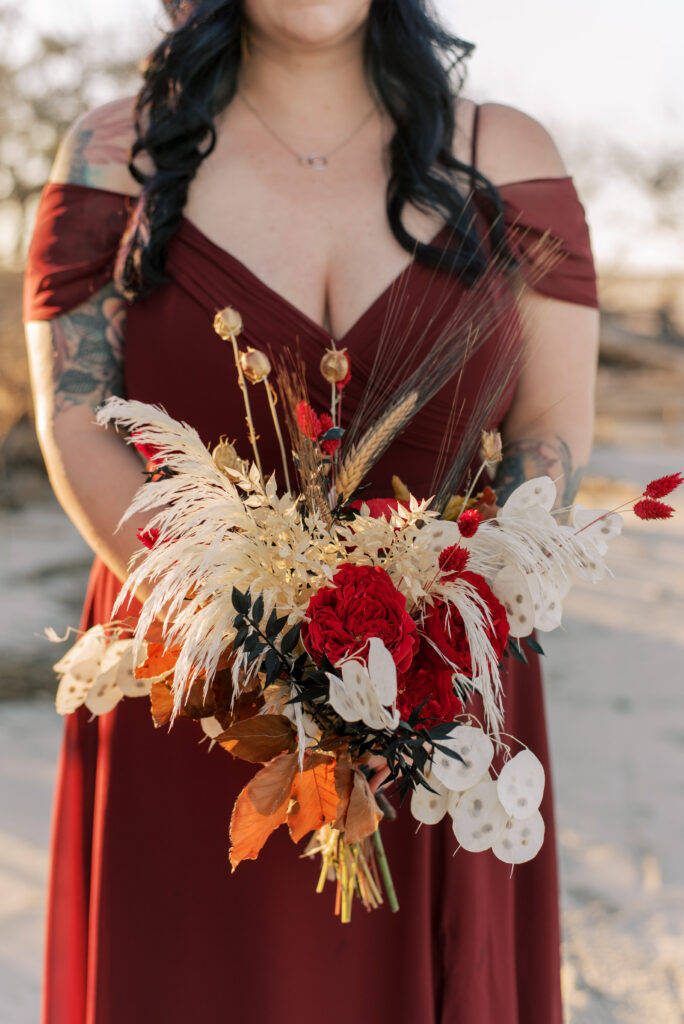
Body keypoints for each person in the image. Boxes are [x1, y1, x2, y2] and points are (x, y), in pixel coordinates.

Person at [23, 1, 599, 1022]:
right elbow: (77, 428)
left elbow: (553, 427)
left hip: (438, 695)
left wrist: (442, 628)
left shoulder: (504, 156)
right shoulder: (116, 156)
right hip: (191, 680)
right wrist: (249, 648)